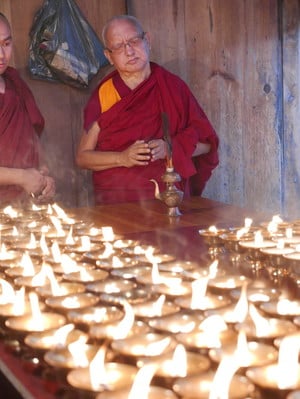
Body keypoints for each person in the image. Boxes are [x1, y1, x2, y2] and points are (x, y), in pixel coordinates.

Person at [76, 14, 219, 204]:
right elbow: (83, 158)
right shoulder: (104, 95)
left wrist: (171, 148)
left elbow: (208, 145)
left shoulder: (173, 88)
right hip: (116, 204)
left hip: (167, 199)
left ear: (147, 41)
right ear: (109, 56)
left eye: (134, 40)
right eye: (118, 46)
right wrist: (122, 158)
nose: (129, 51)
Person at [0, 12, 55, 206]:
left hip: (24, 203)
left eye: (6, 44)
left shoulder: (14, 82)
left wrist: (43, 176)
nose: (1, 54)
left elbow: (31, 136)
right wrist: (23, 177)